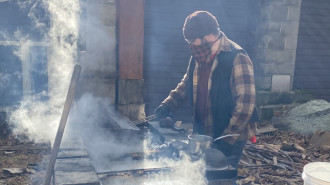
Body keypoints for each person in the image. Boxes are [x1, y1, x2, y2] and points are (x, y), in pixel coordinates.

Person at [154, 11, 259, 171]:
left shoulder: (237, 58)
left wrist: (226, 140)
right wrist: (169, 104)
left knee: (222, 176)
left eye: (193, 42)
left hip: (230, 135)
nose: (191, 47)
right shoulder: (199, 55)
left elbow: (245, 105)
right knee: (200, 175)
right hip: (203, 130)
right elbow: (187, 81)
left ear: (209, 36)